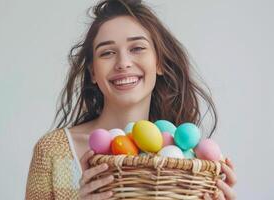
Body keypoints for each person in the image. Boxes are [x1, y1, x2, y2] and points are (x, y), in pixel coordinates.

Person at [25, 0, 237, 199]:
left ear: (159, 62)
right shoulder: (52, 151)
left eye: (137, 48)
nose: (123, 63)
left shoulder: (186, 158)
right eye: (107, 52)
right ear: (92, 72)